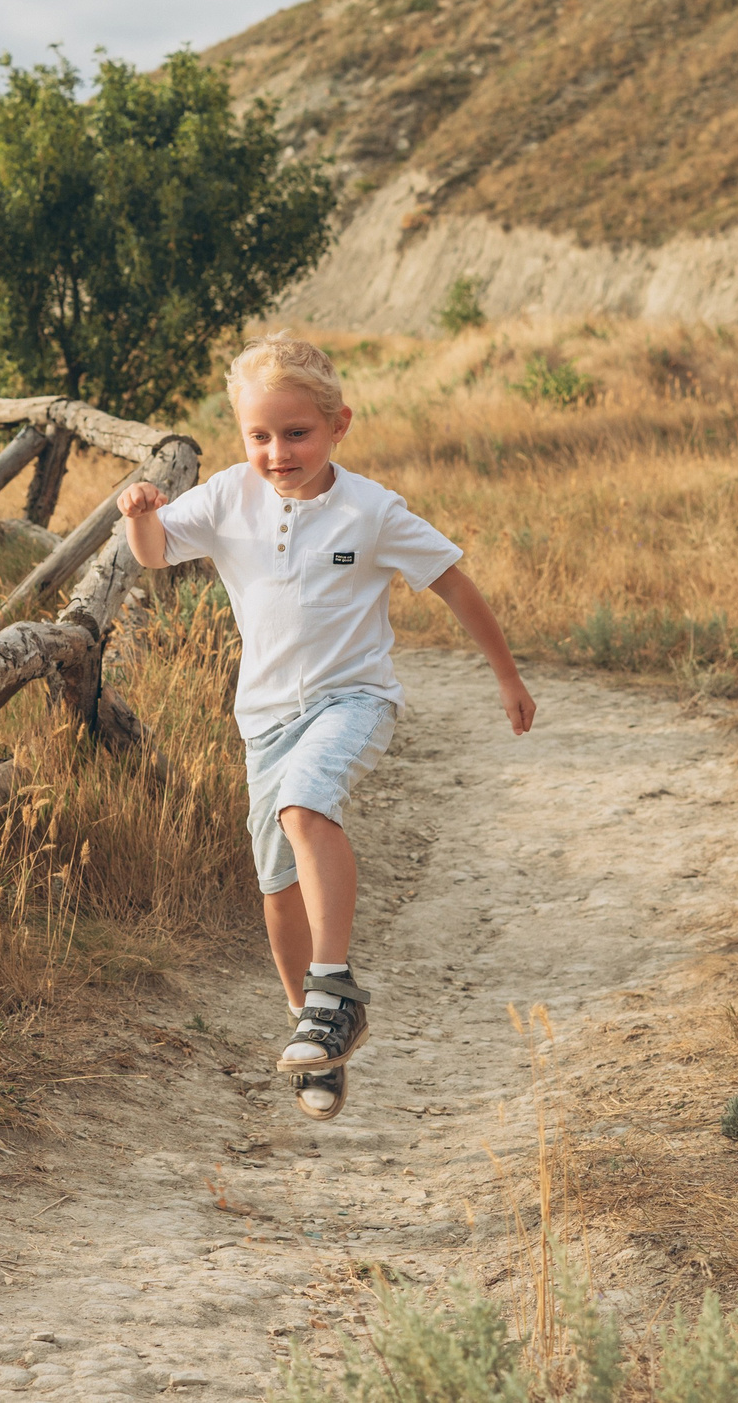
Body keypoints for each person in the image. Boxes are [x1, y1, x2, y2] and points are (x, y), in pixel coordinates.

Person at [118, 334, 535, 1119]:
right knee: (277, 885)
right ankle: (314, 1031)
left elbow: (455, 586)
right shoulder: (229, 497)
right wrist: (142, 515)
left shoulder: (370, 510)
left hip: (353, 699)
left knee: (306, 805)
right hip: (264, 717)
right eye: (260, 435)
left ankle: (335, 988)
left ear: (339, 424)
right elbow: (155, 554)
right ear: (242, 435)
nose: (278, 451)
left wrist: (506, 677)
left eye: (298, 432)